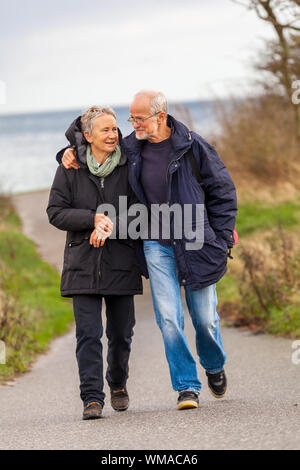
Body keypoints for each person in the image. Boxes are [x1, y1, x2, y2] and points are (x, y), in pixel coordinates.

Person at [59, 90, 237, 411]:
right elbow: (94, 145)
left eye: (139, 118)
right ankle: (186, 387)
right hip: (155, 241)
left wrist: (222, 238)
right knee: (169, 318)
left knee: (205, 319)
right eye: (131, 118)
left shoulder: (193, 146)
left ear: (160, 116)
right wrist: (67, 151)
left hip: (195, 237)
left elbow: (222, 191)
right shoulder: (133, 147)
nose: (133, 125)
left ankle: (213, 365)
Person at [47, 106, 144, 420]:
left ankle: (117, 383)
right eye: (105, 130)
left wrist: (110, 222)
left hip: (121, 261)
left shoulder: (129, 165)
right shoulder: (70, 167)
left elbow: (142, 212)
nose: (113, 135)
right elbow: (56, 212)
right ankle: (91, 398)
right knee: (88, 334)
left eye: (114, 129)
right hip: (82, 263)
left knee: (121, 333)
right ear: (87, 136)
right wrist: (92, 219)